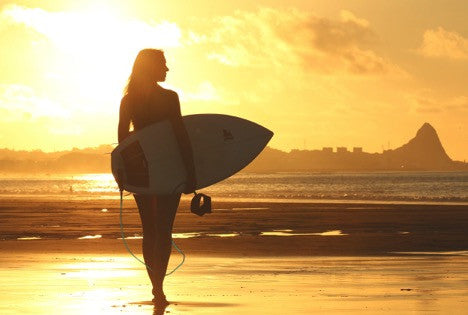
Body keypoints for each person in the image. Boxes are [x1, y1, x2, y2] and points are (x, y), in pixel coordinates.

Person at [117, 49, 196, 307]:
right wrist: (191, 172)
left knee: (150, 231)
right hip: (170, 171)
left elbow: (122, 142)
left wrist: (125, 174)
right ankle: (158, 287)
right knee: (163, 231)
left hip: (144, 173)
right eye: (163, 63)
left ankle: (156, 287)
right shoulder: (170, 98)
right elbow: (180, 136)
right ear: (151, 67)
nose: (167, 69)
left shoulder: (129, 100)